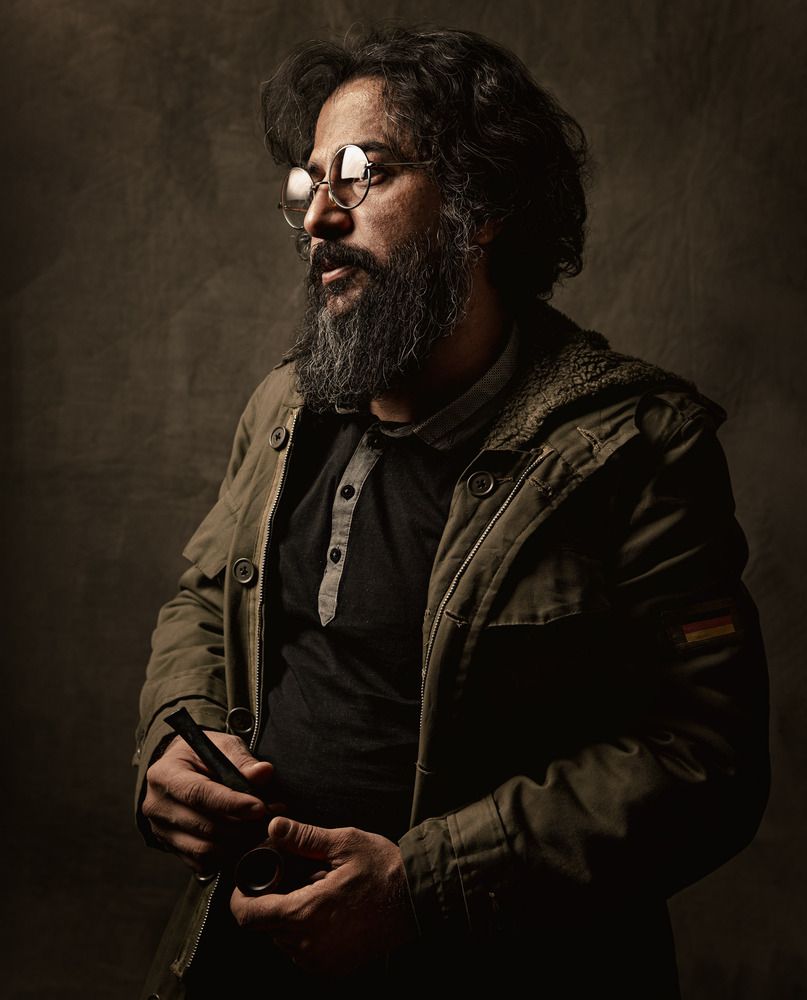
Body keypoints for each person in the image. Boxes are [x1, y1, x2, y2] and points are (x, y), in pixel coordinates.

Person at [133, 25, 769, 999]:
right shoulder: (284, 408)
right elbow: (204, 597)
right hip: (246, 958)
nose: (319, 219)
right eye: (309, 185)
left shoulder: (633, 448)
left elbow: (704, 759)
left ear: (482, 208)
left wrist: (420, 889)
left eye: (362, 174)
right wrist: (175, 733)